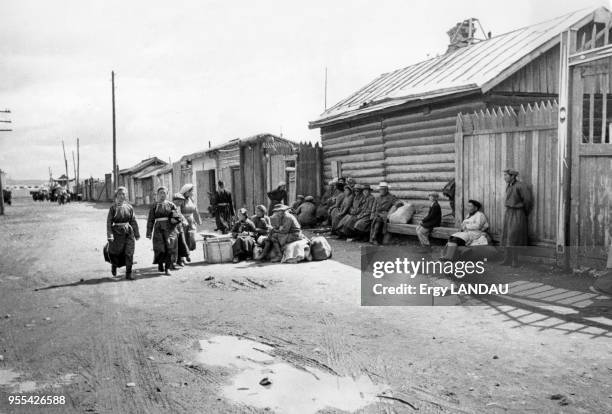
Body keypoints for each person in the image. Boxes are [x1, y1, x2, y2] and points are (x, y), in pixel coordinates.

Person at [106, 187, 140, 280]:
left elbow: (133, 220)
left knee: (129, 252)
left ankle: (128, 273)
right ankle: (114, 265)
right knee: (116, 252)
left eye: (124, 194)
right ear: (116, 195)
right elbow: (109, 222)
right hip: (116, 232)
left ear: (126, 196)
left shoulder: (129, 207)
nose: (122, 196)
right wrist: (110, 235)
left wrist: (136, 233)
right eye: (120, 194)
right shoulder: (113, 208)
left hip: (128, 232)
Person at [146, 186, 180, 275]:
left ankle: (167, 268)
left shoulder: (171, 205)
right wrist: (149, 232)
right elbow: (150, 220)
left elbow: (177, 217)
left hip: (170, 229)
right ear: (157, 195)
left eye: (164, 193)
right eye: (161, 193)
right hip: (158, 229)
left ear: (167, 194)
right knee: (160, 248)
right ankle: (160, 263)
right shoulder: (154, 206)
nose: (162, 195)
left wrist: (175, 220)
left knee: (169, 247)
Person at [179, 183, 201, 262]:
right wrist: (183, 220)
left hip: (191, 221)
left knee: (191, 238)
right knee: (183, 239)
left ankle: (188, 253)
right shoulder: (180, 200)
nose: (192, 193)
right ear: (186, 191)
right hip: (183, 221)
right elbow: (178, 211)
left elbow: (195, 210)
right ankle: (182, 257)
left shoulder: (191, 199)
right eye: (191, 191)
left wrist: (198, 220)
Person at [172, 193, 190, 268]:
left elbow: (181, 215)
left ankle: (181, 259)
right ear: (175, 201)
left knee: (182, 243)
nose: (181, 203)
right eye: (179, 201)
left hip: (180, 228)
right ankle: (173, 262)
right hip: (174, 229)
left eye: (182, 201)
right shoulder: (171, 207)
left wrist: (184, 220)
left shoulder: (178, 207)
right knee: (174, 246)